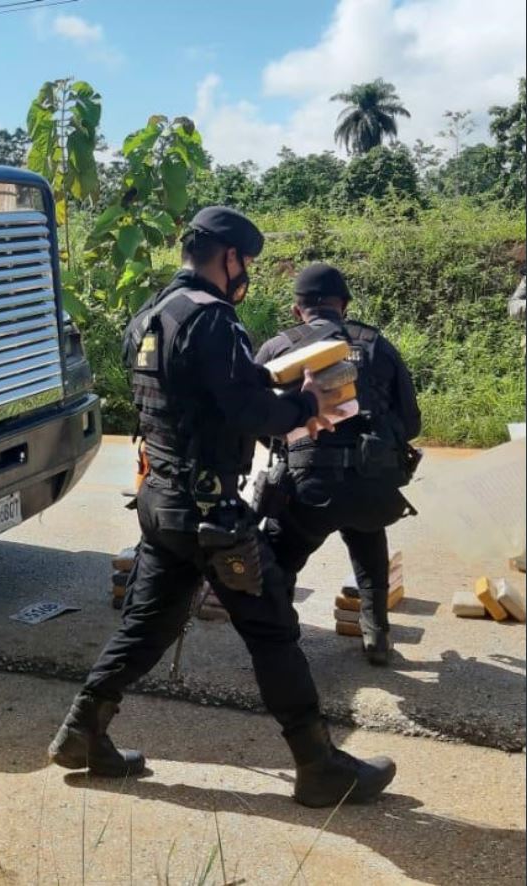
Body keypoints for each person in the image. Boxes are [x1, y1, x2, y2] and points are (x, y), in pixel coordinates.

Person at [47, 207, 397, 809]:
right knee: (273, 629)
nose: (246, 278)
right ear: (228, 258)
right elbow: (243, 411)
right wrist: (302, 404)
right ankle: (319, 767)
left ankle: (82, 733)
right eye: (247, 265)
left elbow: (201, 397)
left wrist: (267, 384)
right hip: (211, 512)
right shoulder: (213, 319)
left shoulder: (150, 317)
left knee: (147, 625)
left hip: (162, 502)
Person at [257, 263, 421, 665]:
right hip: (370, 485)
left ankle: (282, 638)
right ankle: (376, 633)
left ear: (297, 310)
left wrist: (291, 442)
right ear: (344, 306)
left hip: (307, 488)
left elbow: (254, 417)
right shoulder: (376, 344)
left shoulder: (278, 350)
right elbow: (412, 421)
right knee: (369, 540)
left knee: (279, 560)